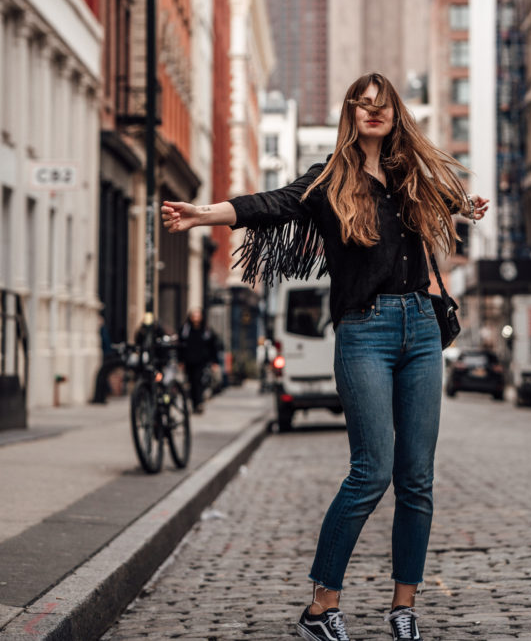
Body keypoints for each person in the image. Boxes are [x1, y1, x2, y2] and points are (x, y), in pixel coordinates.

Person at [161, 73, 488, 641]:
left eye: (383, 105)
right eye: (363, 105)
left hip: (422, 330)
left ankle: (403, 606)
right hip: (365, 331)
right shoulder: (329, 179)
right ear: (350, 114)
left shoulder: (411, 176)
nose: (373, 112)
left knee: (417, 478)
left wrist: (469, 204)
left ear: (395, 114)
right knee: (371, 471)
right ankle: (320, 607)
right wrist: (205, 214)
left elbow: (452, 199)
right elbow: (272, 204)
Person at [178, 308, 220, 412]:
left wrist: (214, 361)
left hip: (201, 361)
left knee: (199, 381)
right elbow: (180, 346)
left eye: (198, 316)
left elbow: (213, 346)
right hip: (189, 360)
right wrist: (181, 361)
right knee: (191, 382)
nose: (196, 318)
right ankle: (195, 404)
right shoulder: (185, 330)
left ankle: (199, 403)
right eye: (194, 316)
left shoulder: (206, 330)